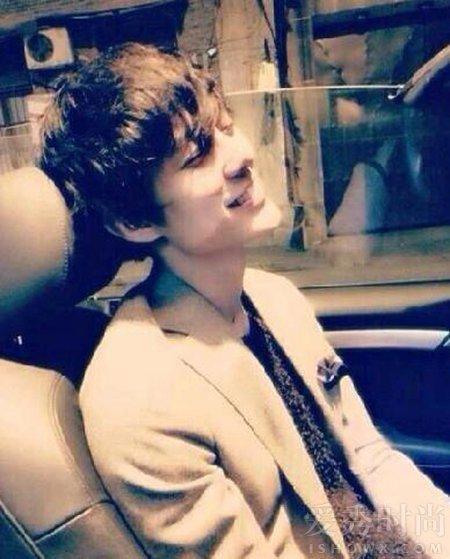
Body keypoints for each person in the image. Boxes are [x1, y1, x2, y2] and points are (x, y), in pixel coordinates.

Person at [39, 43, 449, 559]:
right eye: (197, 155)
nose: (241, 155)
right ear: (134, 221)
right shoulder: (138, 397)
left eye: (226, 126)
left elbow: (369, 460)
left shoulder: (273, 297)